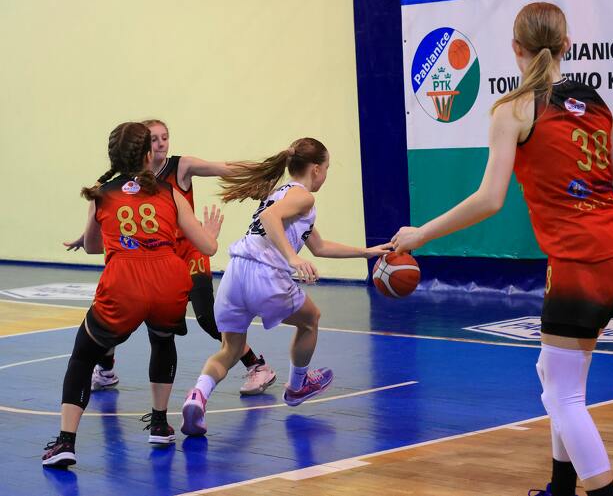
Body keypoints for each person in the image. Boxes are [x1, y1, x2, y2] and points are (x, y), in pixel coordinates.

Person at [392, 3, 613, 496]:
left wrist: (421, 234)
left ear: (514, 48)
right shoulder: (597, 103)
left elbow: (490, 199)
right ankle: (560, 488)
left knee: (562, 397)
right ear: (567, 45)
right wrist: (605, 239)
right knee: (559, 375)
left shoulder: (514, 108)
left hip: (582, 260)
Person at [180, 137, 392, 435]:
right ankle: (297, 386)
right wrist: (292, 258)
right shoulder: (303, 197)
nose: (326, 175)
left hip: (235, 274)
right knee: (310, 319)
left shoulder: (280, 194)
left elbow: (319, 246)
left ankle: (197, 397)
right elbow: (270, 218)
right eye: (327, 168)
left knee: (230, 349)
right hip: (264, 276)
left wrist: (366, 252)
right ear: (316, 169)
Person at [43, 122, 223, 468]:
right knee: (162, 340)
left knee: (83, 356)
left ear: (113, 155)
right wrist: (211, 231)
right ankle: (160, 424)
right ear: (147, 154)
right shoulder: (170, 192)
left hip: (124, 282)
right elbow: (208, 247)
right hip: (168, 280)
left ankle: (66, 442)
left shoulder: (101, 193)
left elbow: (93, 246)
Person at [64, 119, 276, 396]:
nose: (161, 143)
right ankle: (105, 370)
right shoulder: (120, 182)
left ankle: (257, 365)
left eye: (165, 137)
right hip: (151, 257)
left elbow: (223, 167)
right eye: (154, 139)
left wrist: (265, 168)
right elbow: (107, 216)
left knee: (207, 317)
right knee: (119, 307)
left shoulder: (181, 167)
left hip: (189, 250)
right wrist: (86, 236)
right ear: (142, 146)